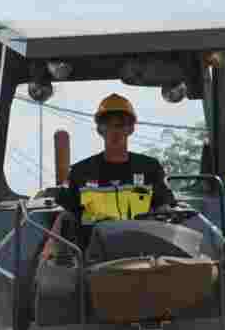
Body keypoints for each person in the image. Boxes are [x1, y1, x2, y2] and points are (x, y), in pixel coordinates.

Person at [60, 94, 176, 238]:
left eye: (120, 125)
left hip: (142, 249)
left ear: (131, 129)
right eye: (108, 125)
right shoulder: (80, 172)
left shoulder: (150, 168)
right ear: (99, 130)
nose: (115, 131)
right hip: (93, 250)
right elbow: (64, 217)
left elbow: (164, 210)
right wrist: (51, 247)